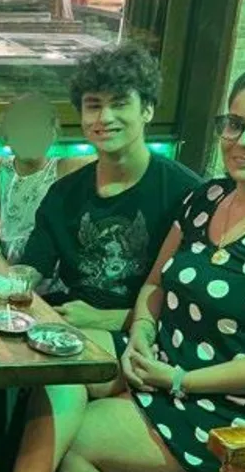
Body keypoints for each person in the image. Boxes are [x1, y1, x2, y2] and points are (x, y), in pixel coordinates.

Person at [2, 66, 245, 472]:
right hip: (168, 357)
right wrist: (141, 333)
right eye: (235, 124)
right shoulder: (206, 198)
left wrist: (180, 380)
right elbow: (155, 285)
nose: (244, 141)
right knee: (62, 362)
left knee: (79, 440)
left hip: (244, 407)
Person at [20, 45, 199, 334]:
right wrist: (5, 287)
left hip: (147, 335)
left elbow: (195, 305)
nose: (104, 117)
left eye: (119, 104)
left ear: (147, 110)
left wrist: (109, 319)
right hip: (71, 321)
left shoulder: (188, 194)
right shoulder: (64, 193)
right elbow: (32, 265)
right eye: (93, 106)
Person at [0, 93, 90, 263]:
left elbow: (105, 158)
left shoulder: (62, 169)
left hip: (46, 269)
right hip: (4, 266)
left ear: (52, 134)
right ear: (6, 135)